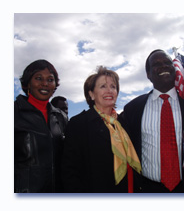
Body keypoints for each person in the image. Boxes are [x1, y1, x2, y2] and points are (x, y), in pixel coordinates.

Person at [121, 49, 184, 193]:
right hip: (147, 190)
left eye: (167, 62)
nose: (164, 66)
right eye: (156, 64)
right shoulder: (132, 109)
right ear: (148, 74)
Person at [62, 66, 141, 193]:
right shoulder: (79, 124)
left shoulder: (123, 123)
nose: (109, 91)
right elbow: (70, 171)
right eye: (103, 86)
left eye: (113, 87)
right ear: (91, 94)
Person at [14, 59, 68, 193]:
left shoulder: (61, 117)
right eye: (38, 78)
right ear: (27, 84)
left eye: (50, 80)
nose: (45, 83)